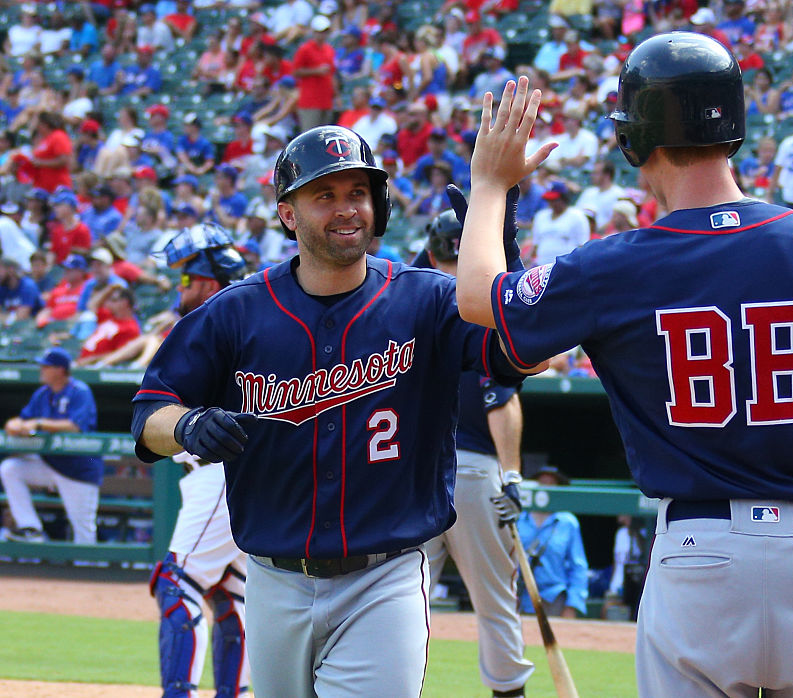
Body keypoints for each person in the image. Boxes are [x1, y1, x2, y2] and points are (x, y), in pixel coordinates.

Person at [455, 33, 793, 697]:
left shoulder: (616, 265)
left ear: (636, 141)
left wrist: (491, 183)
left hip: (699, 557)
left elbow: (476, 298)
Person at [130, 125, 544, 698]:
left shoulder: (425, 300)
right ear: (288, 213)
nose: (347, 209)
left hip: (386, 576)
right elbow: (148, 415)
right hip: (272, 580)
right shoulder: (237, 312)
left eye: (358, 193)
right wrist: (186, 424)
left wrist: (502, 241)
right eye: (325, 195)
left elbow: (521, 353)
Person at [416, 211, 535, 698]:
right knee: (494, 601)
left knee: (398, 598)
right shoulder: (479, 309)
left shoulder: (409, 301)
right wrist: (511, 474)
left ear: (430, 252)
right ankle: (510, 692)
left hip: (411, 472)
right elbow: (502, 396)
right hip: (470, 472)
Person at [146, 224, 251, 698]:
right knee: (231, 596)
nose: (180, 288)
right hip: (230, 480)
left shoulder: (223, 320)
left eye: (186, 279)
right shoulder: (241, 316)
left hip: (221, 477)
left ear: (209, 280)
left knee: (176, 584)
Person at [0, 347, 103, 543]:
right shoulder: (42, 394)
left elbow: (74, 426)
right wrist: (13, 424)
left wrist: (38, 423)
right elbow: (22, 420)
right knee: (10, 468)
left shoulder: (79, 391)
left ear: (60, 370)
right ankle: (31, 528)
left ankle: (87, 569)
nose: (41, 369)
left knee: (83, 532)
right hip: (50, 464)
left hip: (78, 469)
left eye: (46, 366)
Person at [515, 466, 589, 619]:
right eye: (541, 482)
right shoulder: (518, 518)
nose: (546, 487)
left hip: (553, 598)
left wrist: (572, 604)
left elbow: (578, 567)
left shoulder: (567, 522)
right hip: (519, 595)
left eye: (551, 483)